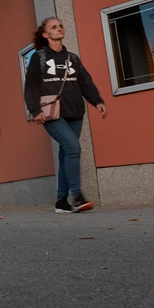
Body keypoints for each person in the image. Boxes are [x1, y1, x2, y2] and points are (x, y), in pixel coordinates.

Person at [24, 17, 108, 213]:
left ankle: (61, 201)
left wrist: (97, 101)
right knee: (72, 147)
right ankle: (77, 196)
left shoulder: (73, 58)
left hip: (75, 112)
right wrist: (35, 110)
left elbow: (85, 82)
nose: (59, 28)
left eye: (61, 25)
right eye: (54, 27)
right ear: (46, 34)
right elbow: (31, 86)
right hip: (52, 114)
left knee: (65, 154)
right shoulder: (39, 57)